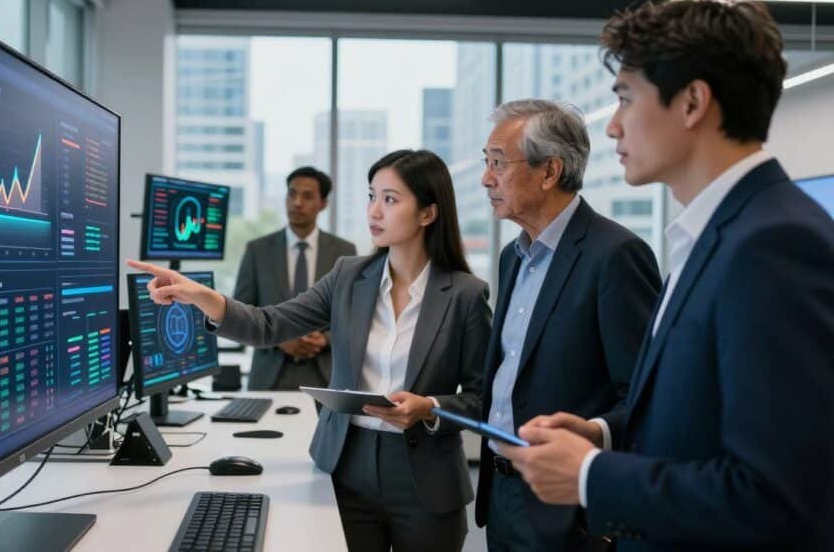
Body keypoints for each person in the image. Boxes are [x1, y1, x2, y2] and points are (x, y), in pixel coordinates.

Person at [498, 0, 834, 551]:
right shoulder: (714, 235)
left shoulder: (773, 245)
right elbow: (704, 423)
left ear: (692, 103)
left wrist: (589, 475)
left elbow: (779, 497)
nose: (611, 127)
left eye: (626, 98)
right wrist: (603, 435)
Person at [129, 150, 491, 552]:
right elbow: (268, 324)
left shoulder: (465, 295)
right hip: (347, 467)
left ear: (427, 214)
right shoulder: (348, 276)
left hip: (425, 479)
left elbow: (482, 400)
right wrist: (201, 296)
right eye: (371, 196)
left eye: (390, 199)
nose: (374, 211)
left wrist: (429, 408)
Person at [476, 99, 661, 551]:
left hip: (570, 511)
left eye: (498, 163)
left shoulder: (615, 256)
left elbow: (646, 399)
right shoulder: (511, 257)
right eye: (487, 163)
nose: (486, 178)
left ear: (549, 171)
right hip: (501, 493)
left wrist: (594, 435)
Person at [234, 166, 356, 391]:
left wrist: (325, 339)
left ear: (323, 204)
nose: (297, 202)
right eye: (292, 194)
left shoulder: (344, 251)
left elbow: (354, 316)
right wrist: (277, 338)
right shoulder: (257, 250)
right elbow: (240, 315)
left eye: (307, 196)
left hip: (326, 377)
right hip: (270, 377)